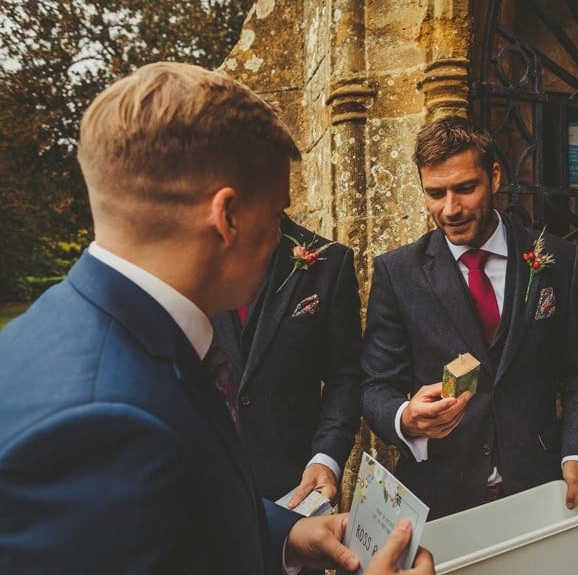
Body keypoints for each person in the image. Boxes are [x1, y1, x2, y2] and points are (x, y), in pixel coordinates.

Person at [0, 61, 432, 575]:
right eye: (276, 214)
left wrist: (285, 534)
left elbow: (188, 513)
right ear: (227, 217)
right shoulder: (101, 427)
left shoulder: (85, 323)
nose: (283, 236)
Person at [360, 116, 578, 520]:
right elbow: (375, 386)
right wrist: (407, 419)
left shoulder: (559, 260)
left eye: (465, 188)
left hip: (541, 489)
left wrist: (577, 451)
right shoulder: (397, 272)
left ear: (493, 177)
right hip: (439, 497)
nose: (450, 209)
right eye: (435, 193)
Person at [210, 211, 362, 507]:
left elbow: (346, 377)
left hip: (298, 491)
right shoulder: (190, 260)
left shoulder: (330, 263)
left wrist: (326, 458)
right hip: (210, 490)